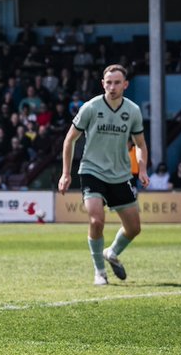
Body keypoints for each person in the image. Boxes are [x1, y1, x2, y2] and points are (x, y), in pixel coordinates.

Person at [58, 64, 149, 286]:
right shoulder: (90, 107)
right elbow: (70, 139)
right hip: (91, 170)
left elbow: (140, 144)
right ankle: (100, 271)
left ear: (125, 85)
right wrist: (65, 174)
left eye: (117, 82)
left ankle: (112, 252)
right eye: (108, 82)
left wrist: (143, 168)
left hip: (120, 174)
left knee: (134, 228)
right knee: (96, 220)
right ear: (102, 84)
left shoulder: (133, 111)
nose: (112, 86)